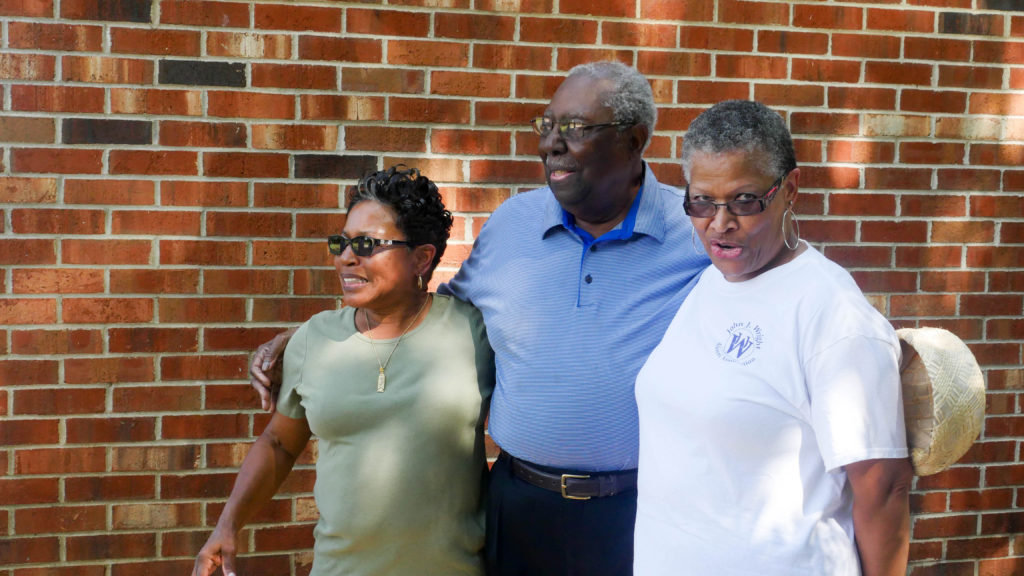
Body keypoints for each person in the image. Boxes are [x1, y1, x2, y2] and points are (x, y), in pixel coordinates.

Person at [251, 62, 709, 575]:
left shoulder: (695, 234)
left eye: (575, 128)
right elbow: (431, 311)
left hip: (643, 509)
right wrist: (315, 337)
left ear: (634, 140)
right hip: (519, 507)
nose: (551, 143)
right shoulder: (513, 224)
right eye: (548, 125)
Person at [633, 100, 913, 575]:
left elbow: (883, 489)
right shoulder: (713, 282)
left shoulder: (832, 315)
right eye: (701, 201)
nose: (720, 223)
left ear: (790, 189)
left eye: (745, 200)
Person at [193, 166, 494, 576]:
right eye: (342, 242)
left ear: (421, 258)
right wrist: (227, 526)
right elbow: (280, 443)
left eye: (367, 244)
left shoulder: (472, 331)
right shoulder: (314, 339)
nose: (346, 257)